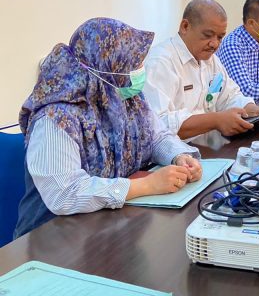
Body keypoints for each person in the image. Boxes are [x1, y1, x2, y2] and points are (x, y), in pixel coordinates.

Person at [14, 18, 202, 238]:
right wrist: (146, 186)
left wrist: (179, 157)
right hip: (54, 239)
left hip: (108, 229)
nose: (140, 69)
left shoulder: (124, 98)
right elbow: (64, 194)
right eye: (133, 63)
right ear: (109, 66)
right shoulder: (55, 118)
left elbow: (156, 137)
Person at [144, 0, 259, 141]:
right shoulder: (160, 62)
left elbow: (229, 96)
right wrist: (215, 120)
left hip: (207, 145)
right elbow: (157, 125)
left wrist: (252, 110)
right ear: (185, 26)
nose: (214, 44)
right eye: (207, 35)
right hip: (174, 154)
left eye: (220, 37)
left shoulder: (211, 60)